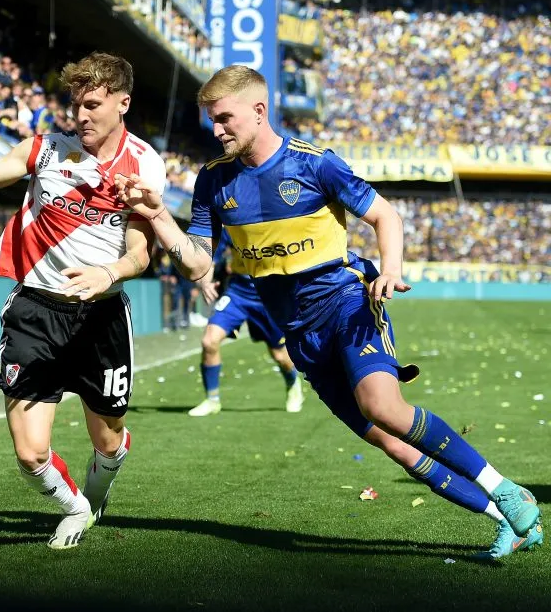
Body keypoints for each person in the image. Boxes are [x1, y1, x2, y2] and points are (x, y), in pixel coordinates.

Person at [115, 65, 542, 560]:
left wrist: (389, 269)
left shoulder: (314, 164)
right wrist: (159, 216)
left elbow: (385, 214)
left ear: (259, 110)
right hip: (299, 334)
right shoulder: (213, 181)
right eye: (213, 121)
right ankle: (508, 520)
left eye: (225, 118)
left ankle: (505, 487)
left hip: (347, 304)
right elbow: (196, 265)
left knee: (383, 407)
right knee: (395, 445)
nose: (218, 130)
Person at [0, 52, 165, 550]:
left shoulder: (143, 164)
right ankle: (76, 507)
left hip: (102, 314)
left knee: (108, 443)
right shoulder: (45, 150)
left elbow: (140, 252)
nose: (81, 115)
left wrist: (107, 271)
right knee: (29, 453)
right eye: (75, 104)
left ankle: (99, 484)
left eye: (92, 104)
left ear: (122, 103)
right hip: (36, 312)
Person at [189, 228, 304, 416]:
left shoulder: (276, 221)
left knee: (281, 357)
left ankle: (292, 383)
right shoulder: (230, 223)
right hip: (238, 294)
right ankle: (212, 400)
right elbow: (210, 258)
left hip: (269, 297)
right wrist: (206, 282)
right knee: (209, 341)